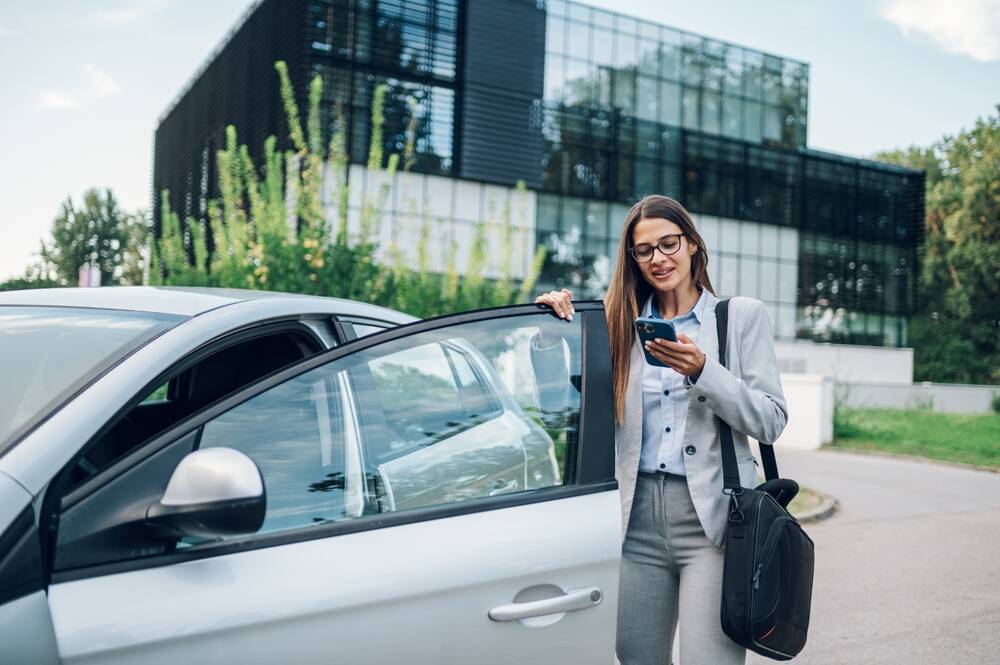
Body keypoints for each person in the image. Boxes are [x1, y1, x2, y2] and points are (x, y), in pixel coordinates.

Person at [533, 195, 787, 665]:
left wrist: (704, 372)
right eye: (644, 250)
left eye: (668, 244)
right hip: (635, 520)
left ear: (692, 244)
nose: (658, 259)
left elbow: (770, 420)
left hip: (714, 521)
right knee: (635, 657)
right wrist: (551, 340)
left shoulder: (739, 317)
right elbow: (561, 418)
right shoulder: (615, 323)